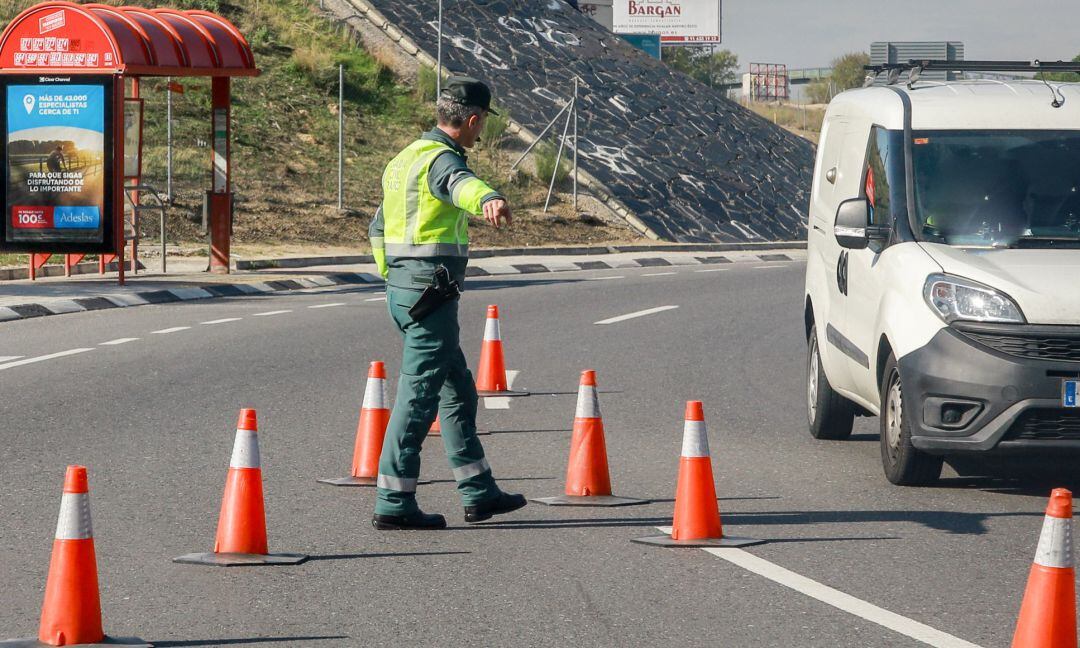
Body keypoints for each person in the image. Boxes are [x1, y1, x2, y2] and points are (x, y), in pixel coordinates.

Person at [367, 76, 526, 530]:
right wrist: (489, 198)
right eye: (481, 126)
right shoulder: (441, 160)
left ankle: (479, 492)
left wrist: (393, 276)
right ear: (472, 120)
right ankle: (394, 502)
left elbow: (378, 228)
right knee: (417, 398)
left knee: (456, 388)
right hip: (429, 293)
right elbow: (459, 185)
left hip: (405, 291)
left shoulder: (403, 160)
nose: (480, 134)